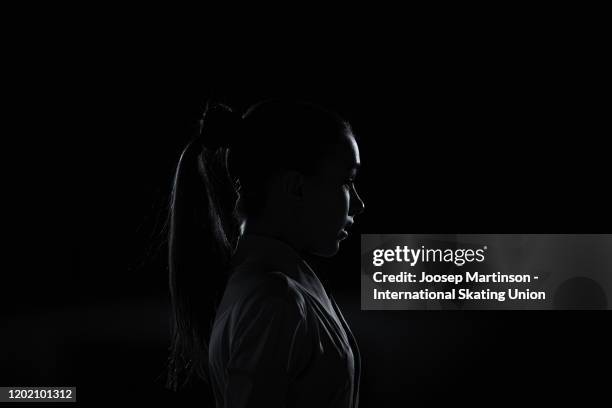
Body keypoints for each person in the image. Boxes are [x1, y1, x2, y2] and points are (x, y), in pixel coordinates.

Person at [166, 99, 365, 407]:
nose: (358, 204)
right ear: (296, 187)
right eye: (347, 182)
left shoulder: (275, 289)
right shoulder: (274, 300)